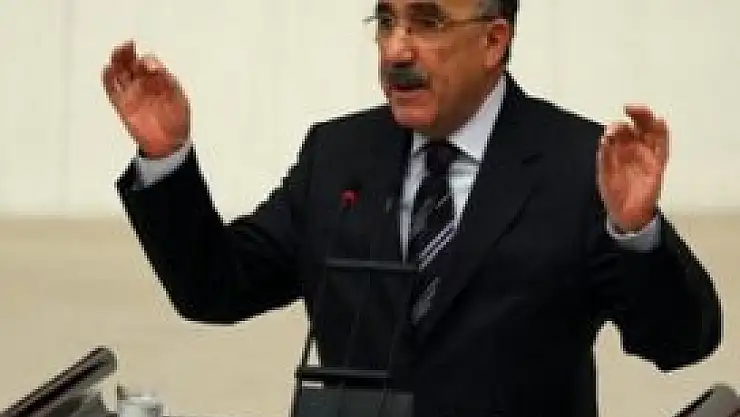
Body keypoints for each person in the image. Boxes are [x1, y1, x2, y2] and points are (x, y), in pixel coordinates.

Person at [102, 0, 722, 416]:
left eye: (427, 21)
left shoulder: (575, 166)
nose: (396, 50)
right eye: (386, 19)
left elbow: (681, 341)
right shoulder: (338, 155)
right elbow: (215, 287)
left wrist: (635, 231)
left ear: (493, 41)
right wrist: (167, 158)